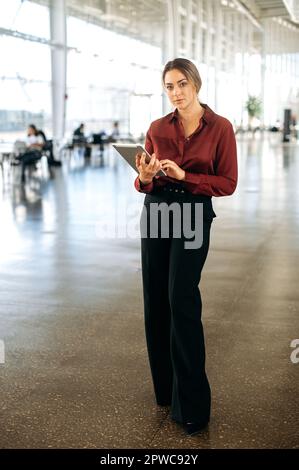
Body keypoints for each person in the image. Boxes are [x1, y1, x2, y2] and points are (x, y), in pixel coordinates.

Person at [134, 58, 238, 436]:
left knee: (182, 299)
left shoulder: (220, 127)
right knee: (156, 300)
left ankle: (192, 404)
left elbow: (227, 182)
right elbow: (142, 181)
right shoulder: (157, 127)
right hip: (158, 211)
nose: (175, 93)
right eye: (169, 87)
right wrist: (145, 177)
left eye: (181, 84)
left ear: (195, 83)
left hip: (193, 213)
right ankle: (166, 391)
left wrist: (186, 175)